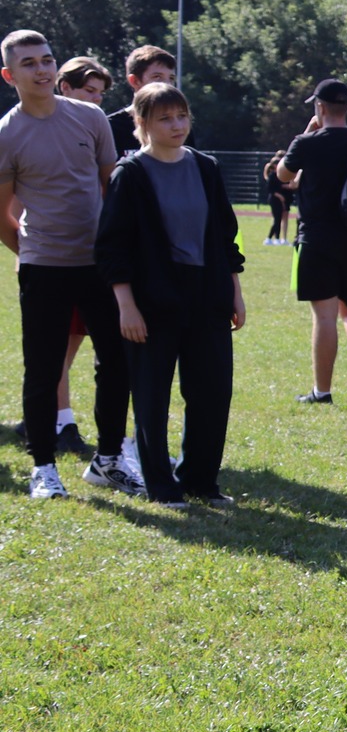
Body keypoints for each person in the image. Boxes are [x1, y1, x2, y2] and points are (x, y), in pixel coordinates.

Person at [0, 30, 141, 499]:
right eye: (29, 64)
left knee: (117, 361)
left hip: (99, 266)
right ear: (9, 75)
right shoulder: (7, 133)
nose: (41, 70)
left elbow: (110, 190)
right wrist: (32, 254)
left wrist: (115, 255)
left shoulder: (90, 116)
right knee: (42, 369)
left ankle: (107, 460)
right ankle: (44, 468)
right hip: (43, 268)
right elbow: (2, 214)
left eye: (46, 60)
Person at [95, 82, 245, 507]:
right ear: (141, 123)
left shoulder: (205, 167)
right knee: (151, 396)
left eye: (181, 116)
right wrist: (127, 306)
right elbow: (112, 248)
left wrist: (235, 293)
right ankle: (161, 485)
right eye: (165, 118)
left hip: (207, 296)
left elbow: (224, 238)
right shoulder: (129, 174)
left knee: (212, 393)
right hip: (151, 300)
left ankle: (200, 480)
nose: (177, 125)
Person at [278, 78, 347, 408]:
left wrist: (306, 133)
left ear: (320, 107)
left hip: (317, 238)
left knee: (325, 317)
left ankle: (322, 391)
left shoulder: (308, 142)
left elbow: (283, 176)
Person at [107, 45, 176, 157]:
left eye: (171, 78)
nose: (166, 85)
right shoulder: (111, 127)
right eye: (157, 77)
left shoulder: (178, 124)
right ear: (134, 81)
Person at [265, 154, 293, 244]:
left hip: (280, 199)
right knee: (277, 219)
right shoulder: (273, 175)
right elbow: (271, 189)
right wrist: (280, 196)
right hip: (275, 199)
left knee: (278, 219)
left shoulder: (277, 175)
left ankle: (273, 238)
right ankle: (273, 238)